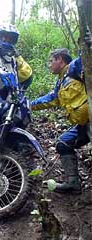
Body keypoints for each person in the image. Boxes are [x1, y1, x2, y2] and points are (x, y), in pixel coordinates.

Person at [31, 48, 89, 193]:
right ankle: (73, 183)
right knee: (63, 143)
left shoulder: (75, 67)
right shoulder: (61, 83)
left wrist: (87, 44)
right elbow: (50, 99)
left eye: (51, 61)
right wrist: (28, 105)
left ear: (61, 60)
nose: (49, 64)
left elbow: (86, 57)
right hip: (83, 125)